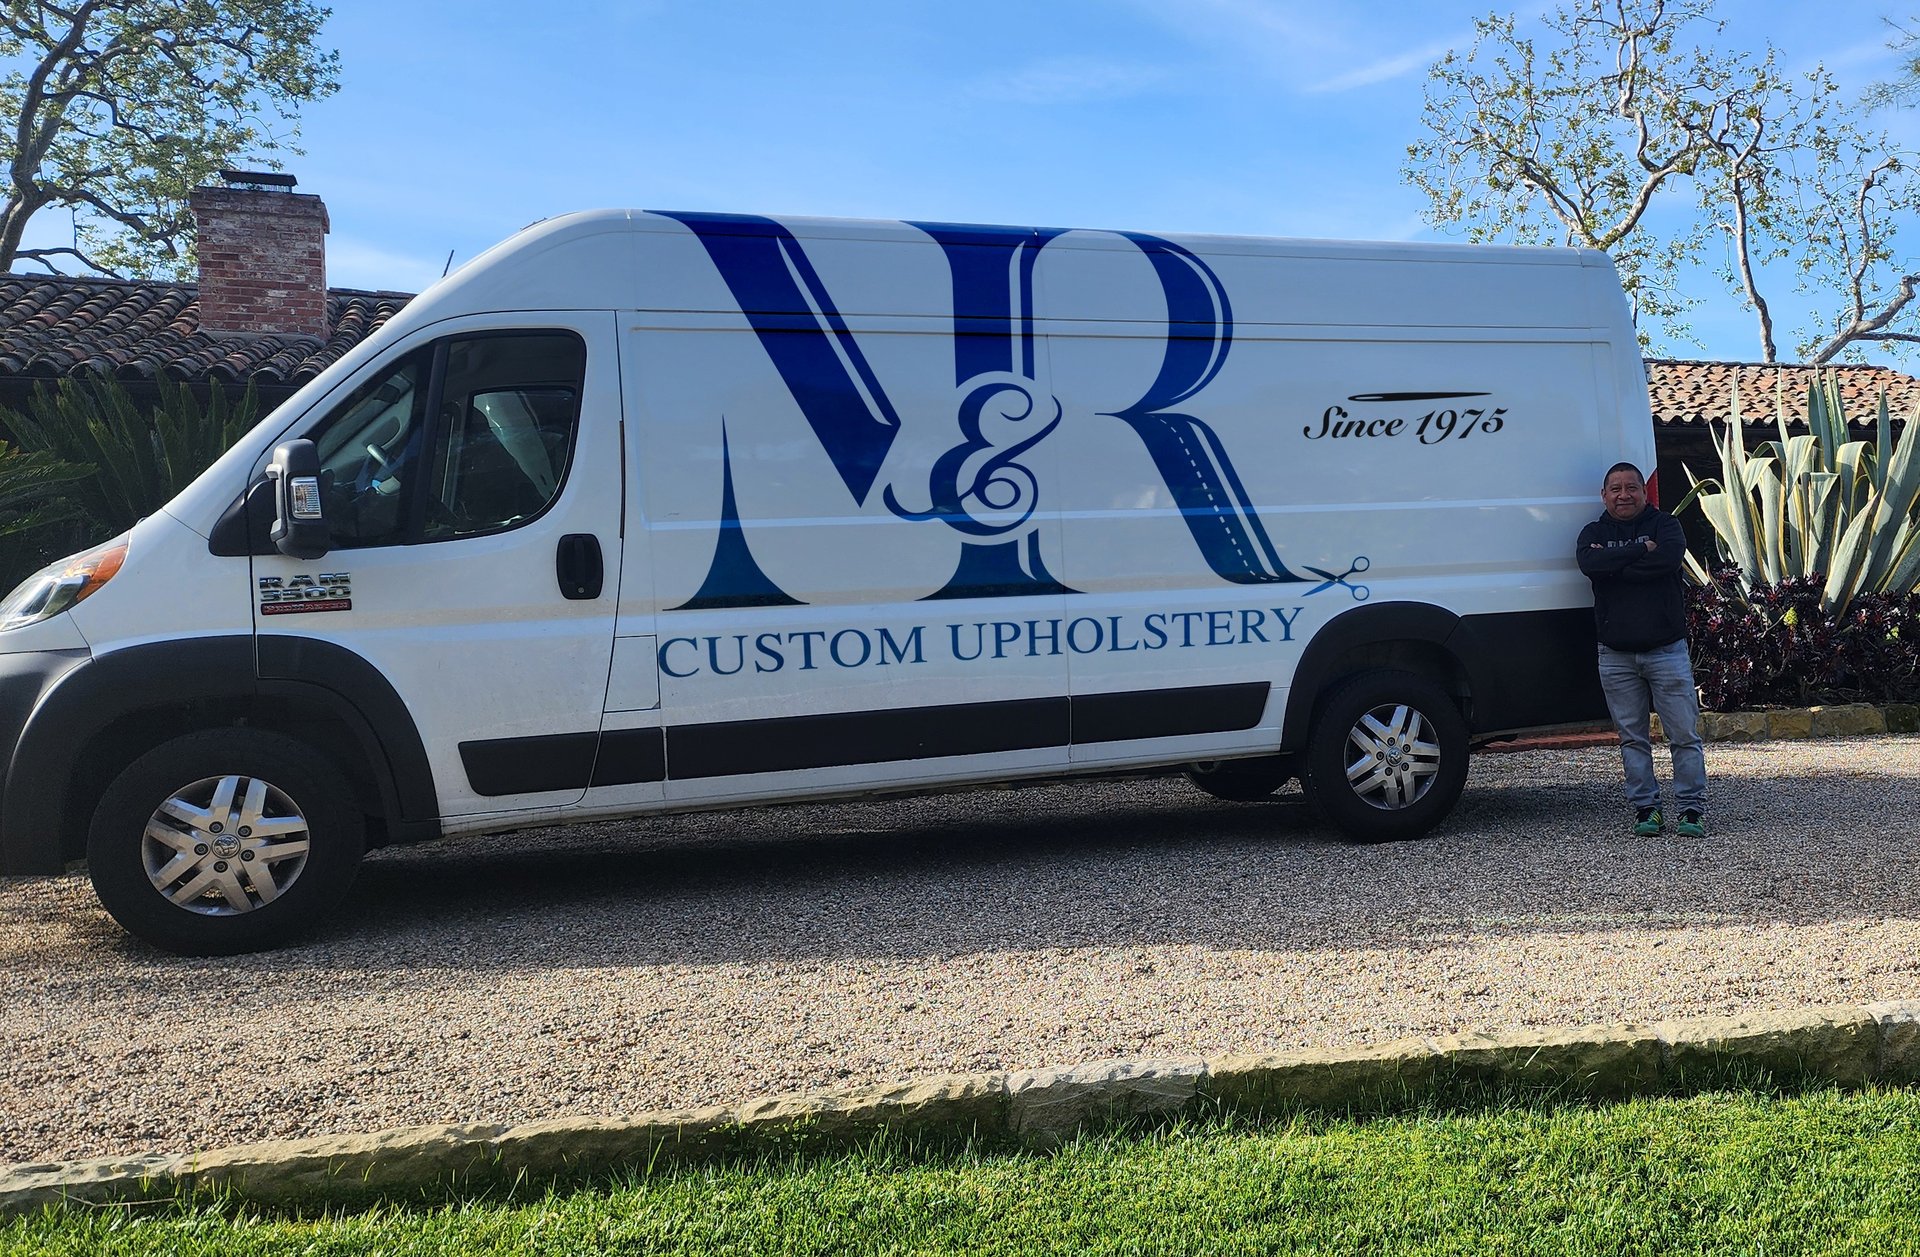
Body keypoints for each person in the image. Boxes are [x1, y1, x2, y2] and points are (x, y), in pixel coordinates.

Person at [1576, 462, 1707, 838]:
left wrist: (1614, 565)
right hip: (1615, 655)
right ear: (1604, 495)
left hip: (1666, 650)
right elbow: (1589, 563)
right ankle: (1646, 809)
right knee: (1632, 739)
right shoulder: (1592, 532)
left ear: (1644, 491)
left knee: (1683, 735)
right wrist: (1638, 551)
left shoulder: (1666, 526)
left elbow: (1664, 561)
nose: (1623, 495)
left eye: (1631, 487)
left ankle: (1691, 810)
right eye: (1615, 489)